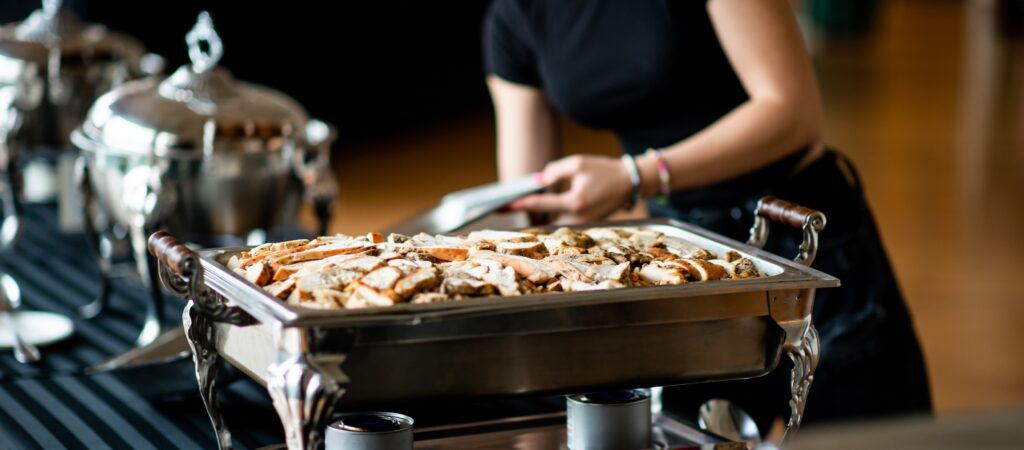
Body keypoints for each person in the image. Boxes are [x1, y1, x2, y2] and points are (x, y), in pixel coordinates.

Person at [483, 0, 932, 433]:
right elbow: (530, 204)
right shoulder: (515, 16)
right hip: (683, 264)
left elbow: (793, 113)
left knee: (870, 434)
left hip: (798, 240)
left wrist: (634, 176)